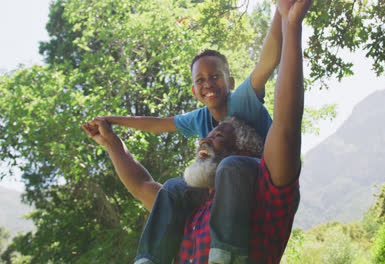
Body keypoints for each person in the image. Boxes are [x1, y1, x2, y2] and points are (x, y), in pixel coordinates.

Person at [82, 0, 310, 262]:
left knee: (232, 166)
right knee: (172, 188)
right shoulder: (190, 203)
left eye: (215, 77)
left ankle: (226, 255)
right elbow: (149, 158)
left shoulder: (243, 104)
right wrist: (112, 134)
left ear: (230, 82)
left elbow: (280, 103)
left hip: (257, 172)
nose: (206, 138)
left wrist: (286, 20)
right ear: (193, 90)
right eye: (200, 80)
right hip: (221, 184)